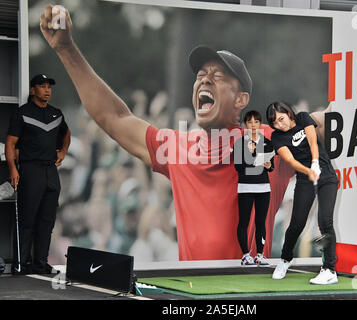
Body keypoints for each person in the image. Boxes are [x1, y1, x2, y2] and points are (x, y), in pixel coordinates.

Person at [39, 5, 295, 260]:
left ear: (241, 100)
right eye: (201, 75)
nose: (205, 80)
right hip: (190, 296)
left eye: (217, 75)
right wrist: (66, 49)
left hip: (249, 296)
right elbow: (115, 118)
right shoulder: (177, 148)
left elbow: (323, 125)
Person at [267, 101, 339, 285]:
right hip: (305, 179)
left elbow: (313, 139)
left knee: (326, 223)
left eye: (281, 119)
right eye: (275, 122)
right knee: (297, 223)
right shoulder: (277, 137)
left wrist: (315, 162)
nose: (279, 125)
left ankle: (329, 270)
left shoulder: (302, 118)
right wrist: (308, 171)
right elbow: (290, 160)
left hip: (326, 176)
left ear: (288, 113)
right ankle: (285, 259)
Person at [5, 74, 71, 275]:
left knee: (46, 221)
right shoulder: (22, 113)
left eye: (49, 87)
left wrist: (63, 152)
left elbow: (66, 135)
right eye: (42, 86)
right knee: (27, 220)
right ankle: (21, 264)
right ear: (33, 90)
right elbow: (10, 143)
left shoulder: (56, 114)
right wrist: (13, 169)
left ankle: (40, 264)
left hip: (50, 171)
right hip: (30, 169)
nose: (47, 90)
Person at [234, 110, 274, 266]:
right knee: (243, 222)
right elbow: (238, 167)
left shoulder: (267, 142)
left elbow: (271, 167)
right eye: (250, 122)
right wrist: (251, 156)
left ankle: (260, 254)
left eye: (256, 122)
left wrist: (269, 166)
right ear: (245, 124)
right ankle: (245, 255)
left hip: (263, 188)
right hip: (245, 188)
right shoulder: (239, 143)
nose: (253, 125)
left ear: (260, 124)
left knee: (261, 222)